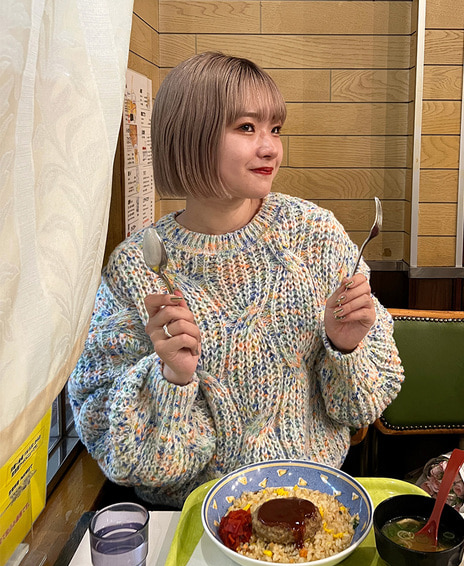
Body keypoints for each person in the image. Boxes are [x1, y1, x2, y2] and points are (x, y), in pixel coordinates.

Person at [68, 51, 404, 508]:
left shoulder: (314, 235)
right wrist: (171, 378)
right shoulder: (136, 268)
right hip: (197, 517)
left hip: (315, 507)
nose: (270, 148)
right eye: (247, 127)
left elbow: (363, 405)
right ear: (191, 134)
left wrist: (345, 347)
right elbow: (124, 454)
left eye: (275, 129)